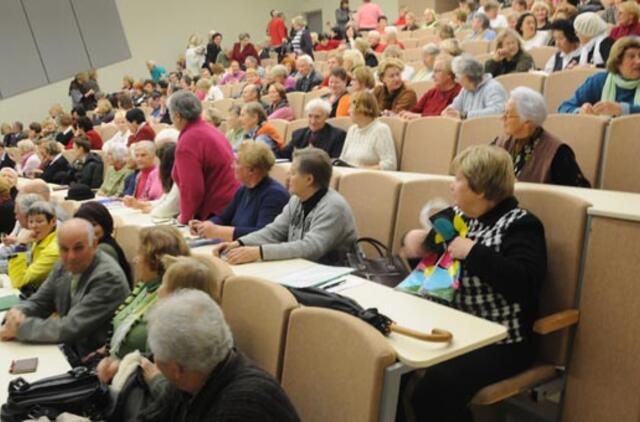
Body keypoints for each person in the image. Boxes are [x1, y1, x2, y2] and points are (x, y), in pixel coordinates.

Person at [404, 145, 547, 422]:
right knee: (386, 363)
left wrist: (473, 252)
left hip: (502, 340)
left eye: (458, 179)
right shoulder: (455, 218)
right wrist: (412, 246)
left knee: (434, 390)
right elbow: (428, 266)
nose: (451, 185)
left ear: (481, 189)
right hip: (450, 326)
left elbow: (526, 283)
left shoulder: (521, 224)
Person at [136, 290, 300, 422]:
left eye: (156, 353)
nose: (153, 358)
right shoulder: (193, 379)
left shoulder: (243, 407)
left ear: (176, 369)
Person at [0, 218, 130, 363]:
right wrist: (17, 313)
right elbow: (40, 301)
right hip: (66, 350)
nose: (71, 256)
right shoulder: (62, 265)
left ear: (94, 244)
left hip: (91, 362)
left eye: (78, 248)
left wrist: (20, 328)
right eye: (64, 249)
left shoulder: (108, 277)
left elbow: (70, 328)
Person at [213, 148, 358, 265]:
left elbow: (310, 248)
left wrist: (258, 252)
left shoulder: (333, 207)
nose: (287, 178)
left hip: (338, 275)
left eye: (293, 173)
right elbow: (273, 232)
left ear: (309, 179)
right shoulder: (296, 200)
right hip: (305, 269)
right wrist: (240, 243)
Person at [95, 225, 190, 383]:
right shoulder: (145, 286)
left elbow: (156, 362)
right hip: (111, 370)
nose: (135, 259)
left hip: (133, 381)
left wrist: (121, 366)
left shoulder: (168, 300)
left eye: (140, 254)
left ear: (155, 261)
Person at [190, 141, 289, 242]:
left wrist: (217, 231)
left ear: (252, 170)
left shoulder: (275, 195)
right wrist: (206, 225)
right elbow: (224, 218)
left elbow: (263, 234)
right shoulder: (243, 189)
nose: (232, 166)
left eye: (237, 162)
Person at [493, 87, 591, 186]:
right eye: (504, 113)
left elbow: (580, 191)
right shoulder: (500, 143)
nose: (502, 118)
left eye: (508, 115)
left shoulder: (557, 153)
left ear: (527, 122)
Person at [169, 91, 238, 224]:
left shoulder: (188, 140)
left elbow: (193, 188)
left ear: (177, 116)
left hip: (216, 212)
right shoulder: (211, 129)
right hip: (231, 204)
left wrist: (185, 218)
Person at [559, 37, 640, 115]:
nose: (638, 61)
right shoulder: (599, 81)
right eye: (631, 57)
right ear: (617, 62)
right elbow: (564, 107)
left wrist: (623, 109)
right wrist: (580, 111)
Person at [7, 200, 58, 295]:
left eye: (39, 221)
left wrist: (20, 246)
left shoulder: (53, 251)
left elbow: (18, 281)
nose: (34, 226)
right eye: (31, 221)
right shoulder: (41, 238)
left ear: (53, 222)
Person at [340, 91, 397, 170]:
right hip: (349, 177)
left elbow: (390, 164)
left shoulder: (380, 129)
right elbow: (343, 159)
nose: (348, 111)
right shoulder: (352, 130)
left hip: (369, 179)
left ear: (362, 108)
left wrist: (362, 170)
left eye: (351, 107)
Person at [442, 54, 508, 119]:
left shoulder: (493, 87)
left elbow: (497, 111)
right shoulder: (465, 90)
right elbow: (455, 106)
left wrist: (465, 115)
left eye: (458, 77)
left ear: (467, 77)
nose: (457, 81)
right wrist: (448, 111)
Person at [278, 99, 346, 160]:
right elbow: (283, 154)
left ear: (327, 116)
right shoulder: (298, 134)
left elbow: (334, 161)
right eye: (310, 116)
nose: (313, 121)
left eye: (317, 117)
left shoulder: (337, 136)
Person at [400, 55, 463, 119]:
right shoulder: (432, 92)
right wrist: (404, 113)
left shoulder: (459, 92)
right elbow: (414, 110)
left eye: (437, 71)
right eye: (433, 71)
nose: (433, 75)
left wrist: (420, 116)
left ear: (449, 74)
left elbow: (445, 116)